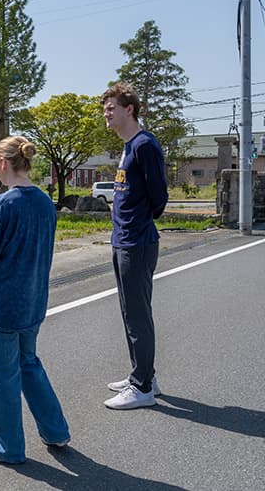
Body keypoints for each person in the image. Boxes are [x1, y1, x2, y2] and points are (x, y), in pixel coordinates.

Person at [0, 136, 70, 464]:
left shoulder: (0, 206)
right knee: (29, 363)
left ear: (2, 163)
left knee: (0, 375)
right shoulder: (44, 202)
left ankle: (8, 446)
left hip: (2, 305)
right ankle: (55, 430)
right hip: (34, 301)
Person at [100, 82, 168, 410]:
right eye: (105, 109)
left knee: (138, 315)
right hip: (123, 240)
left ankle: (142, 388)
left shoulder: (144, 145)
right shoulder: (128, 146)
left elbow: (159, 198)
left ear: (129, 109)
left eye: (111, 107)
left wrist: (138, 219)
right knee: (130, 313)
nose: (106, 113)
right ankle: (144, 375)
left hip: (137, 243)